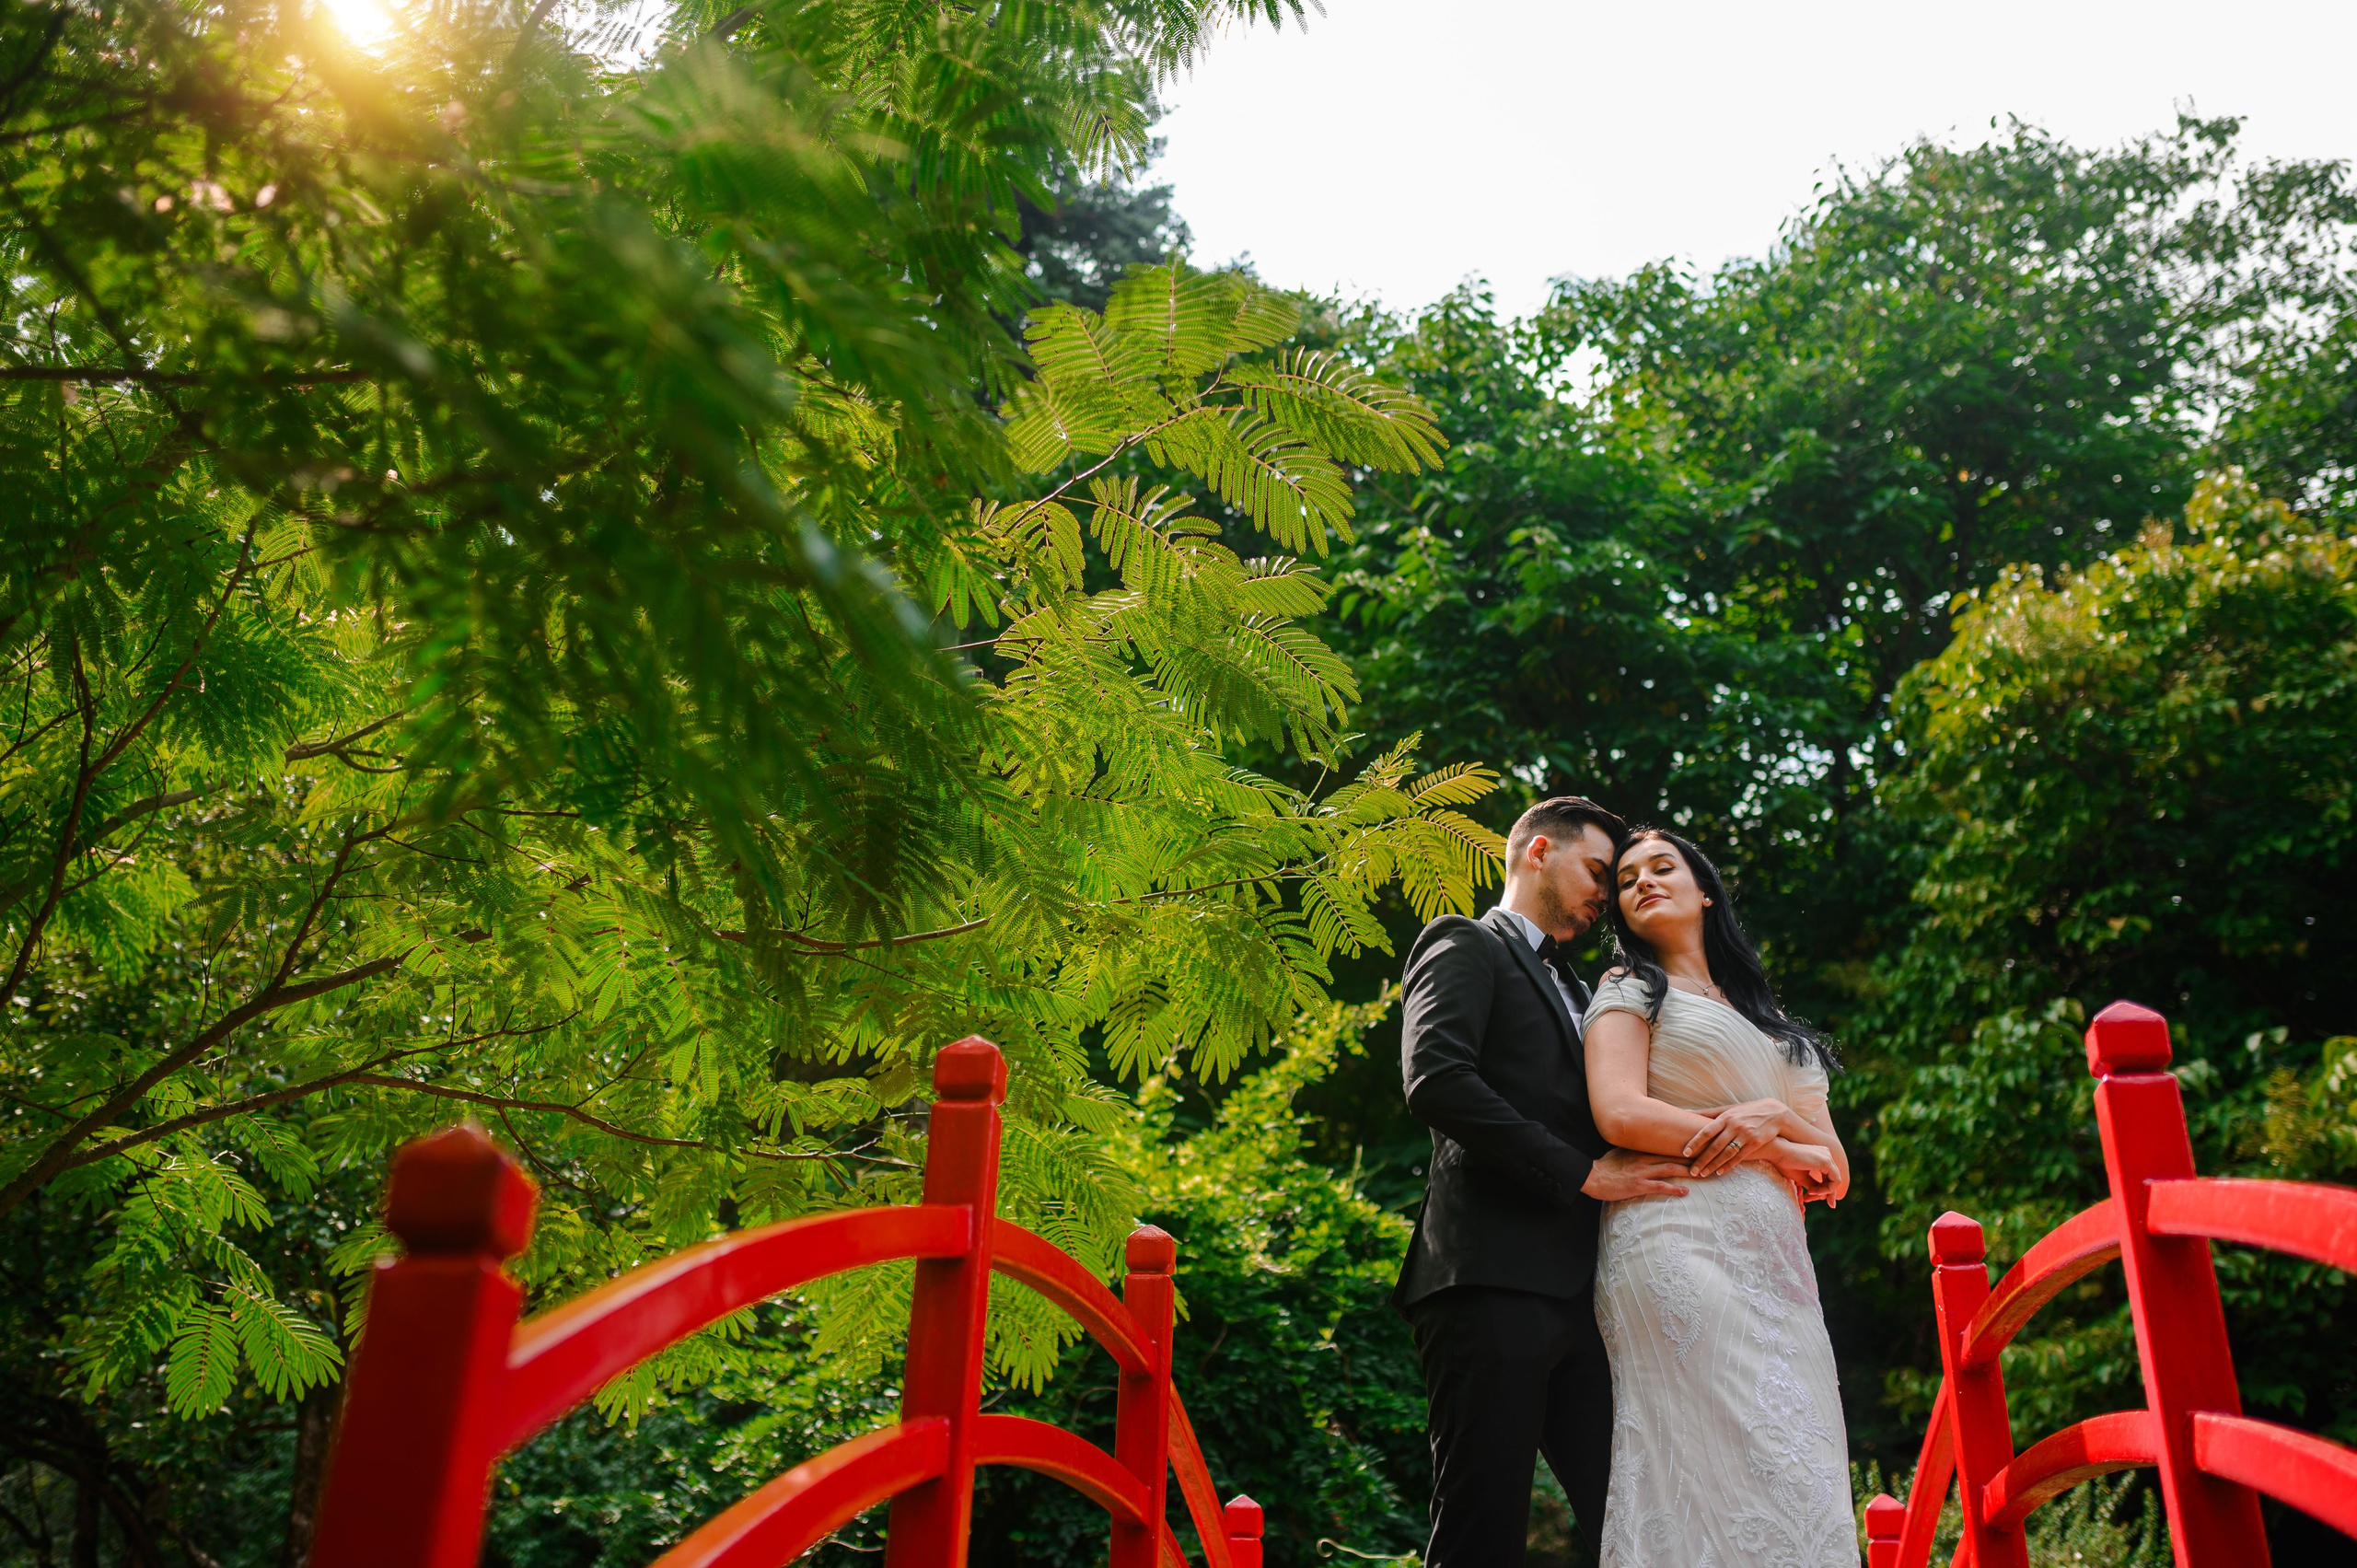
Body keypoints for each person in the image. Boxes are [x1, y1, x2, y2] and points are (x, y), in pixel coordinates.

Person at [1394, 796, 1693, 1567]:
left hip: (1587, 1295)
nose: (1605, 894)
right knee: (1483, 1529)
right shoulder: (1463, 941)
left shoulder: (1589, 992)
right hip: (1488, 1278)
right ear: (1536, 852)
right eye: (1597, 871)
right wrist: (1581, 1172)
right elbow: (1436, 1078)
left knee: (1636, 1519)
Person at [1583, 827, 1855, 1567]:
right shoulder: (1629, 986)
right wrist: (1773, 1144)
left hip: (1779, 1267)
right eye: (1627, 879)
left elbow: (1833, 1169)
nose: (1643, 881)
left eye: (1661, 866)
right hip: (1675, 1232)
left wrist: (1774, 1117)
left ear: (1704, 890)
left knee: (1802, 1456)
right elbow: (1620, 1113)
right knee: (1732, 1451)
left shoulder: (1773, 1024)